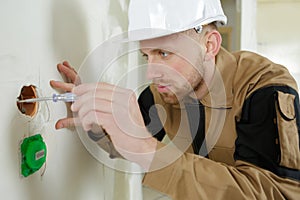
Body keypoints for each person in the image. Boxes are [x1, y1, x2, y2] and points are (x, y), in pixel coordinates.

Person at [50, 0, 300, 199]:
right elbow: (127, 145)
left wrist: (147, 149)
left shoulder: (263, 87)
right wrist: (94, 122)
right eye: (147, 56)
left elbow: (277, 193)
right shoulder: (161, 93)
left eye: (165, 53)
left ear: (210, 44)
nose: (151, 72)